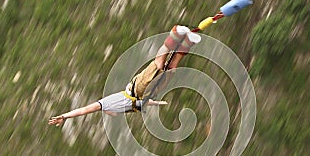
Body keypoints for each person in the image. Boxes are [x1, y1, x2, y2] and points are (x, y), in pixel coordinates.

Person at [48, 25, 201, 126]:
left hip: (137, 89)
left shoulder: (104, 104)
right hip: (148, 94)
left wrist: (65, 116)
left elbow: (84, 110)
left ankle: (175, 33)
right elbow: (145, 103)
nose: (112, 115)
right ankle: (188, 41)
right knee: (171, 68)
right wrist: (157, 103)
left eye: (110, 114)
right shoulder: (128, 109)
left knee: (158, 64)